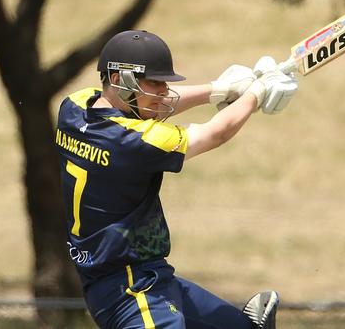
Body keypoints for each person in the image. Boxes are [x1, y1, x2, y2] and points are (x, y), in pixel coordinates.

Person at [55, 29, 298, 329]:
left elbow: (150, 107)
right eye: (154, 83)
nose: (162, 92)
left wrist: (218, 90)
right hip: (132, 292)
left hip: (151, 279)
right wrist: (256, 95)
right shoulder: (135, 142)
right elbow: (214, 133)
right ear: (119, 79)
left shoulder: (74, 108)